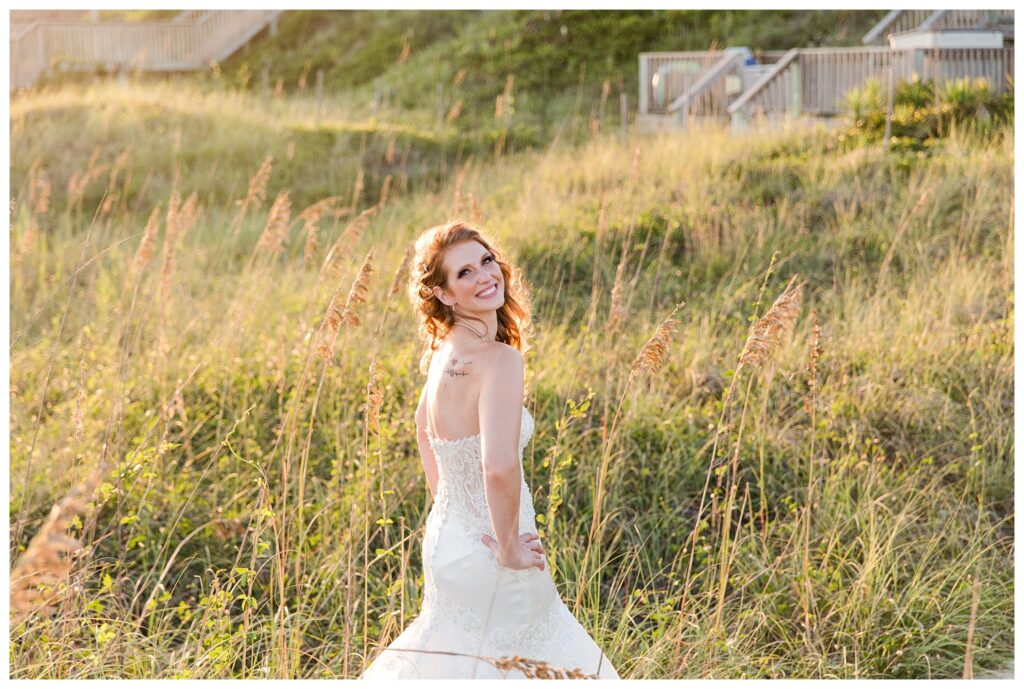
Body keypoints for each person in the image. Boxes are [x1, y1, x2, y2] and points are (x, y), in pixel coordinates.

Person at [360, 220, 620, 680]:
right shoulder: (500, 361)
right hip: (496, 549)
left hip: (449, 543)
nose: (485, 276)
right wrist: (507, 548)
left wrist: (454, 504)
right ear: (443, 294)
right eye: (464, 273)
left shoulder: (442, 353)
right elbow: (498, 467)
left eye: (486, 261)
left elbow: (424, 429)